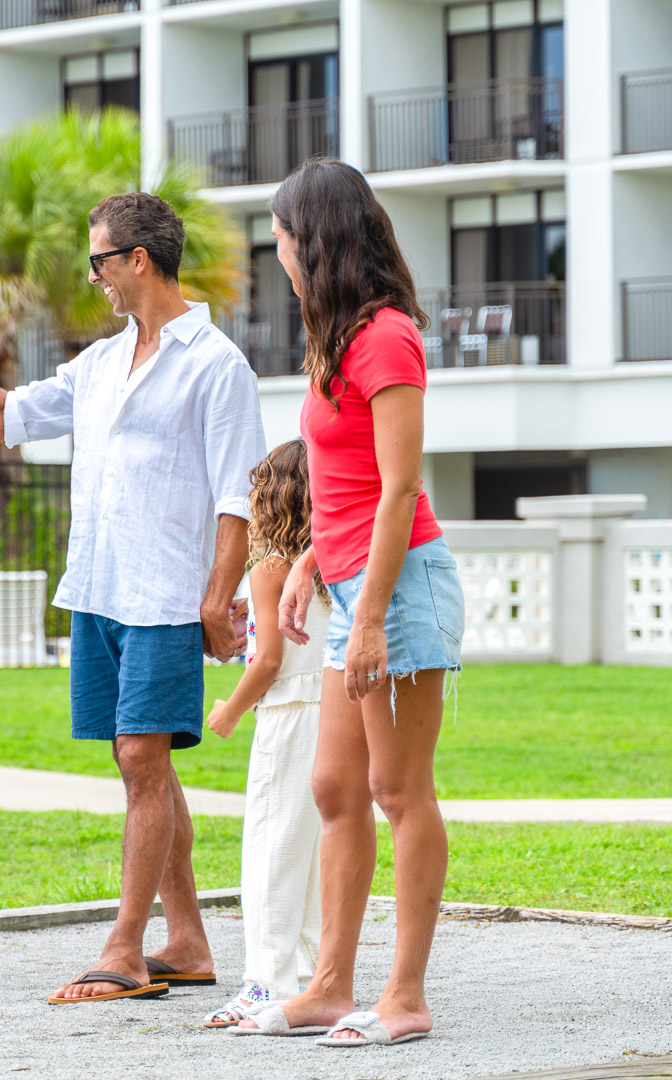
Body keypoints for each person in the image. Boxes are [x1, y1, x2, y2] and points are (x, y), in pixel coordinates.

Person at [0, 191, 267, 1005]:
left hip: (166, 597)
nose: (92, 275)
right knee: (143, 764)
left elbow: (240, 496)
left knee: (142, 758)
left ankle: (127, 949)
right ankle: (190, 941)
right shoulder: (96, 367)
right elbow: (0, 419)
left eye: (98, 259)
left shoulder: (216, 366)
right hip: (97, 590)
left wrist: (218, 596)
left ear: (138, 260)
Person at [232, 159, 465, 1048]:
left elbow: (401, 489)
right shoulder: (335, 338)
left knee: (397, 790)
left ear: (316, 239)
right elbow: (339, 474)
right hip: (350, 578)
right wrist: (305, 561)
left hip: (398, 588)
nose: (278, 253)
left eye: (284, 237)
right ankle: (330, 986)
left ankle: (403, 997)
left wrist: (364, 614)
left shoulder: (388, 337)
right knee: (334, 786)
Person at [201, 440, 329, 1029]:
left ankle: (265, 982)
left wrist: (230, 709)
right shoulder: (328, 563)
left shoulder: (269, 567)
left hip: (286, 717)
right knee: (309, 851)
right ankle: (304, 970)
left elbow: (270, 661)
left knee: (270, 849)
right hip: (331, 714)